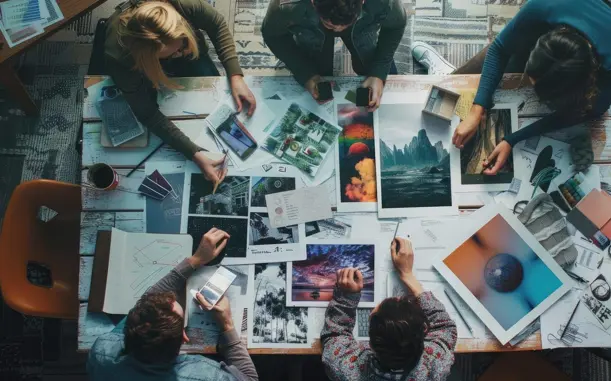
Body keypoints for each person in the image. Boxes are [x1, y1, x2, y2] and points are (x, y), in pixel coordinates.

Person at [412, 0, 611, 175]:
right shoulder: (542, 6)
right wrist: (477, 109)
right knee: (461, 80)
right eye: (531, 76)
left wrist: (513, 138)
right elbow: (499, 49)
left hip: (607, 37)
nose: (529, 84)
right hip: (557, 16)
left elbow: (584, 113)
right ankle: (447, 74)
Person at [104, 0, 257, 183]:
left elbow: (216, 23)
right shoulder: (119, 57)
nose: (183, 53)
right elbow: (147, 113)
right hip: (139, 67)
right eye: (172, 54)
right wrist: (194, 153)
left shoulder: (181, 4)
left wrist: (235, 75)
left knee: (215, 95)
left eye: (183, 41)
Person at [87, 228, 258, 381]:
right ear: (184, 337)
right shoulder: (205, 375)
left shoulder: (102, 353)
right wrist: (227, 324)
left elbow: (146, 304)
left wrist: (196, 260)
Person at [321, 237, 457, 380]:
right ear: (424, 331)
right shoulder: (437, 363)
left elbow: (334, 335)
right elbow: (446, 327)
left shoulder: (345, 368)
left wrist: (346, 298)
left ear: (370, 345)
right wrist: (408, 276)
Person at [261, 0, 406, 111]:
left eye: (346, 24)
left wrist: (378, 72)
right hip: (311, 27)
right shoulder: (285, 6)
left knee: (380, 77)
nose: (338, 30)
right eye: (330, 25)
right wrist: (306, 74)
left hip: (362, 26)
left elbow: (396, 25)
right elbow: (272, 35)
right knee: (318, 75)